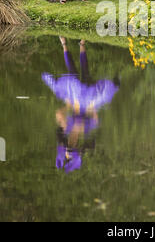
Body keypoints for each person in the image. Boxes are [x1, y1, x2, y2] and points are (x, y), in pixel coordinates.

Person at [41, 37, 120, 173]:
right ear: (77, 145)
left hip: (74, 97)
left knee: (73, 74)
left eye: (70, 145)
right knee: (86, 73)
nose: (73, 142)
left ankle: (64, 44)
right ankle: (81, 44)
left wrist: (69, 105)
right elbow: (95, 119)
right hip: (89, 99)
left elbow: (59, 114)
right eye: (74, 145)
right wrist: (91, 108)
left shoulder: (66, 128)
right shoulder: (85, 130)